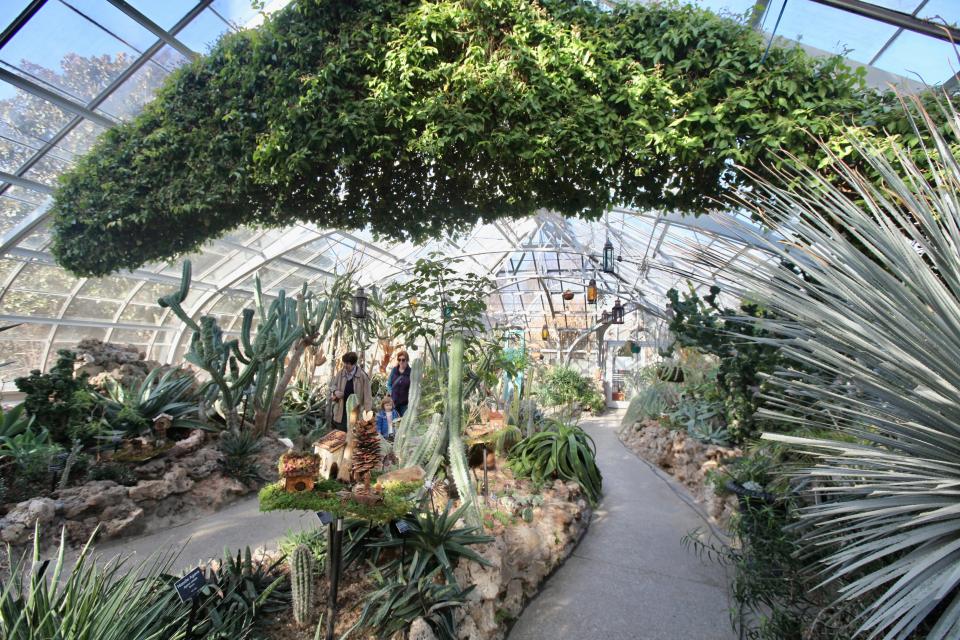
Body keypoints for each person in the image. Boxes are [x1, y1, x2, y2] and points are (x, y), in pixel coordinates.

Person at [330, 352, 372, 432]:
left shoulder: (362, 377)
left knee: (352, 434)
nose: (345, 365)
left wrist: (367, 413)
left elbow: (368, 396)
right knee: (340, 434)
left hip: (355, 411)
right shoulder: (340, 373)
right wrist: (335, 392)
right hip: (341, 411)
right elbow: (333, 386)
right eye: (344, 363)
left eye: (348, 363)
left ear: (354, 364)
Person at [387, 350, 411, 416]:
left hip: (405, 404)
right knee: (394, 422)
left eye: (403, 360)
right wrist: (391, 392)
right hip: (394, 403)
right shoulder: (394, 370)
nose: (401, 362)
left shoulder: (411, 372)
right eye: (399, 359)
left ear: (407, 360)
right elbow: (389, 384)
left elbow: (413, 387)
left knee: (404, 423)